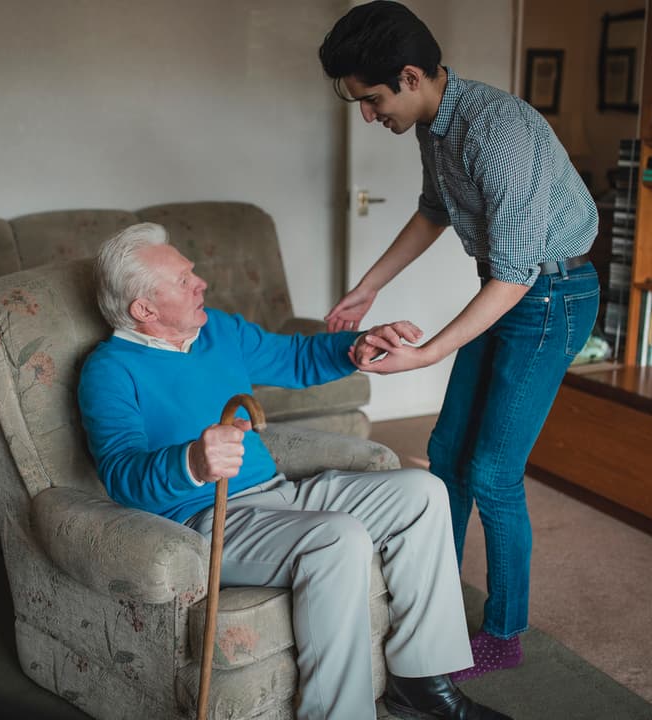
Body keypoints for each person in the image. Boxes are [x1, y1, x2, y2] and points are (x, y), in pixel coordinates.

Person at [78, 222, 513, 720]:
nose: (200, 284)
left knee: (422, 491)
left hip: (279, 492)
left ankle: (419, 684)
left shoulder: (215, 329)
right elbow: (121, 473)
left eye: (192, 273)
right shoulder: (109, 370)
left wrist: (359, 346)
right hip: (208, 520)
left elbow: (295, 357)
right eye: (183, 280)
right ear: (144, 310)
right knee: (338, 536)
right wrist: (192, 462)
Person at [318, 1, 600, 682]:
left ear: (411, 76)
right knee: (446, 451)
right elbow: (435, 211)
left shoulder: (496, 132)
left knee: (493, 474)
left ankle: (504, 633)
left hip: (552, 297)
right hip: (509, 289)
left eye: (372, 98)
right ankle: (431, 603)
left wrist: (432, 350)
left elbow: (515, 276)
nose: (367, 114)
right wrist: (368, 287)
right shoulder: (435, 123)